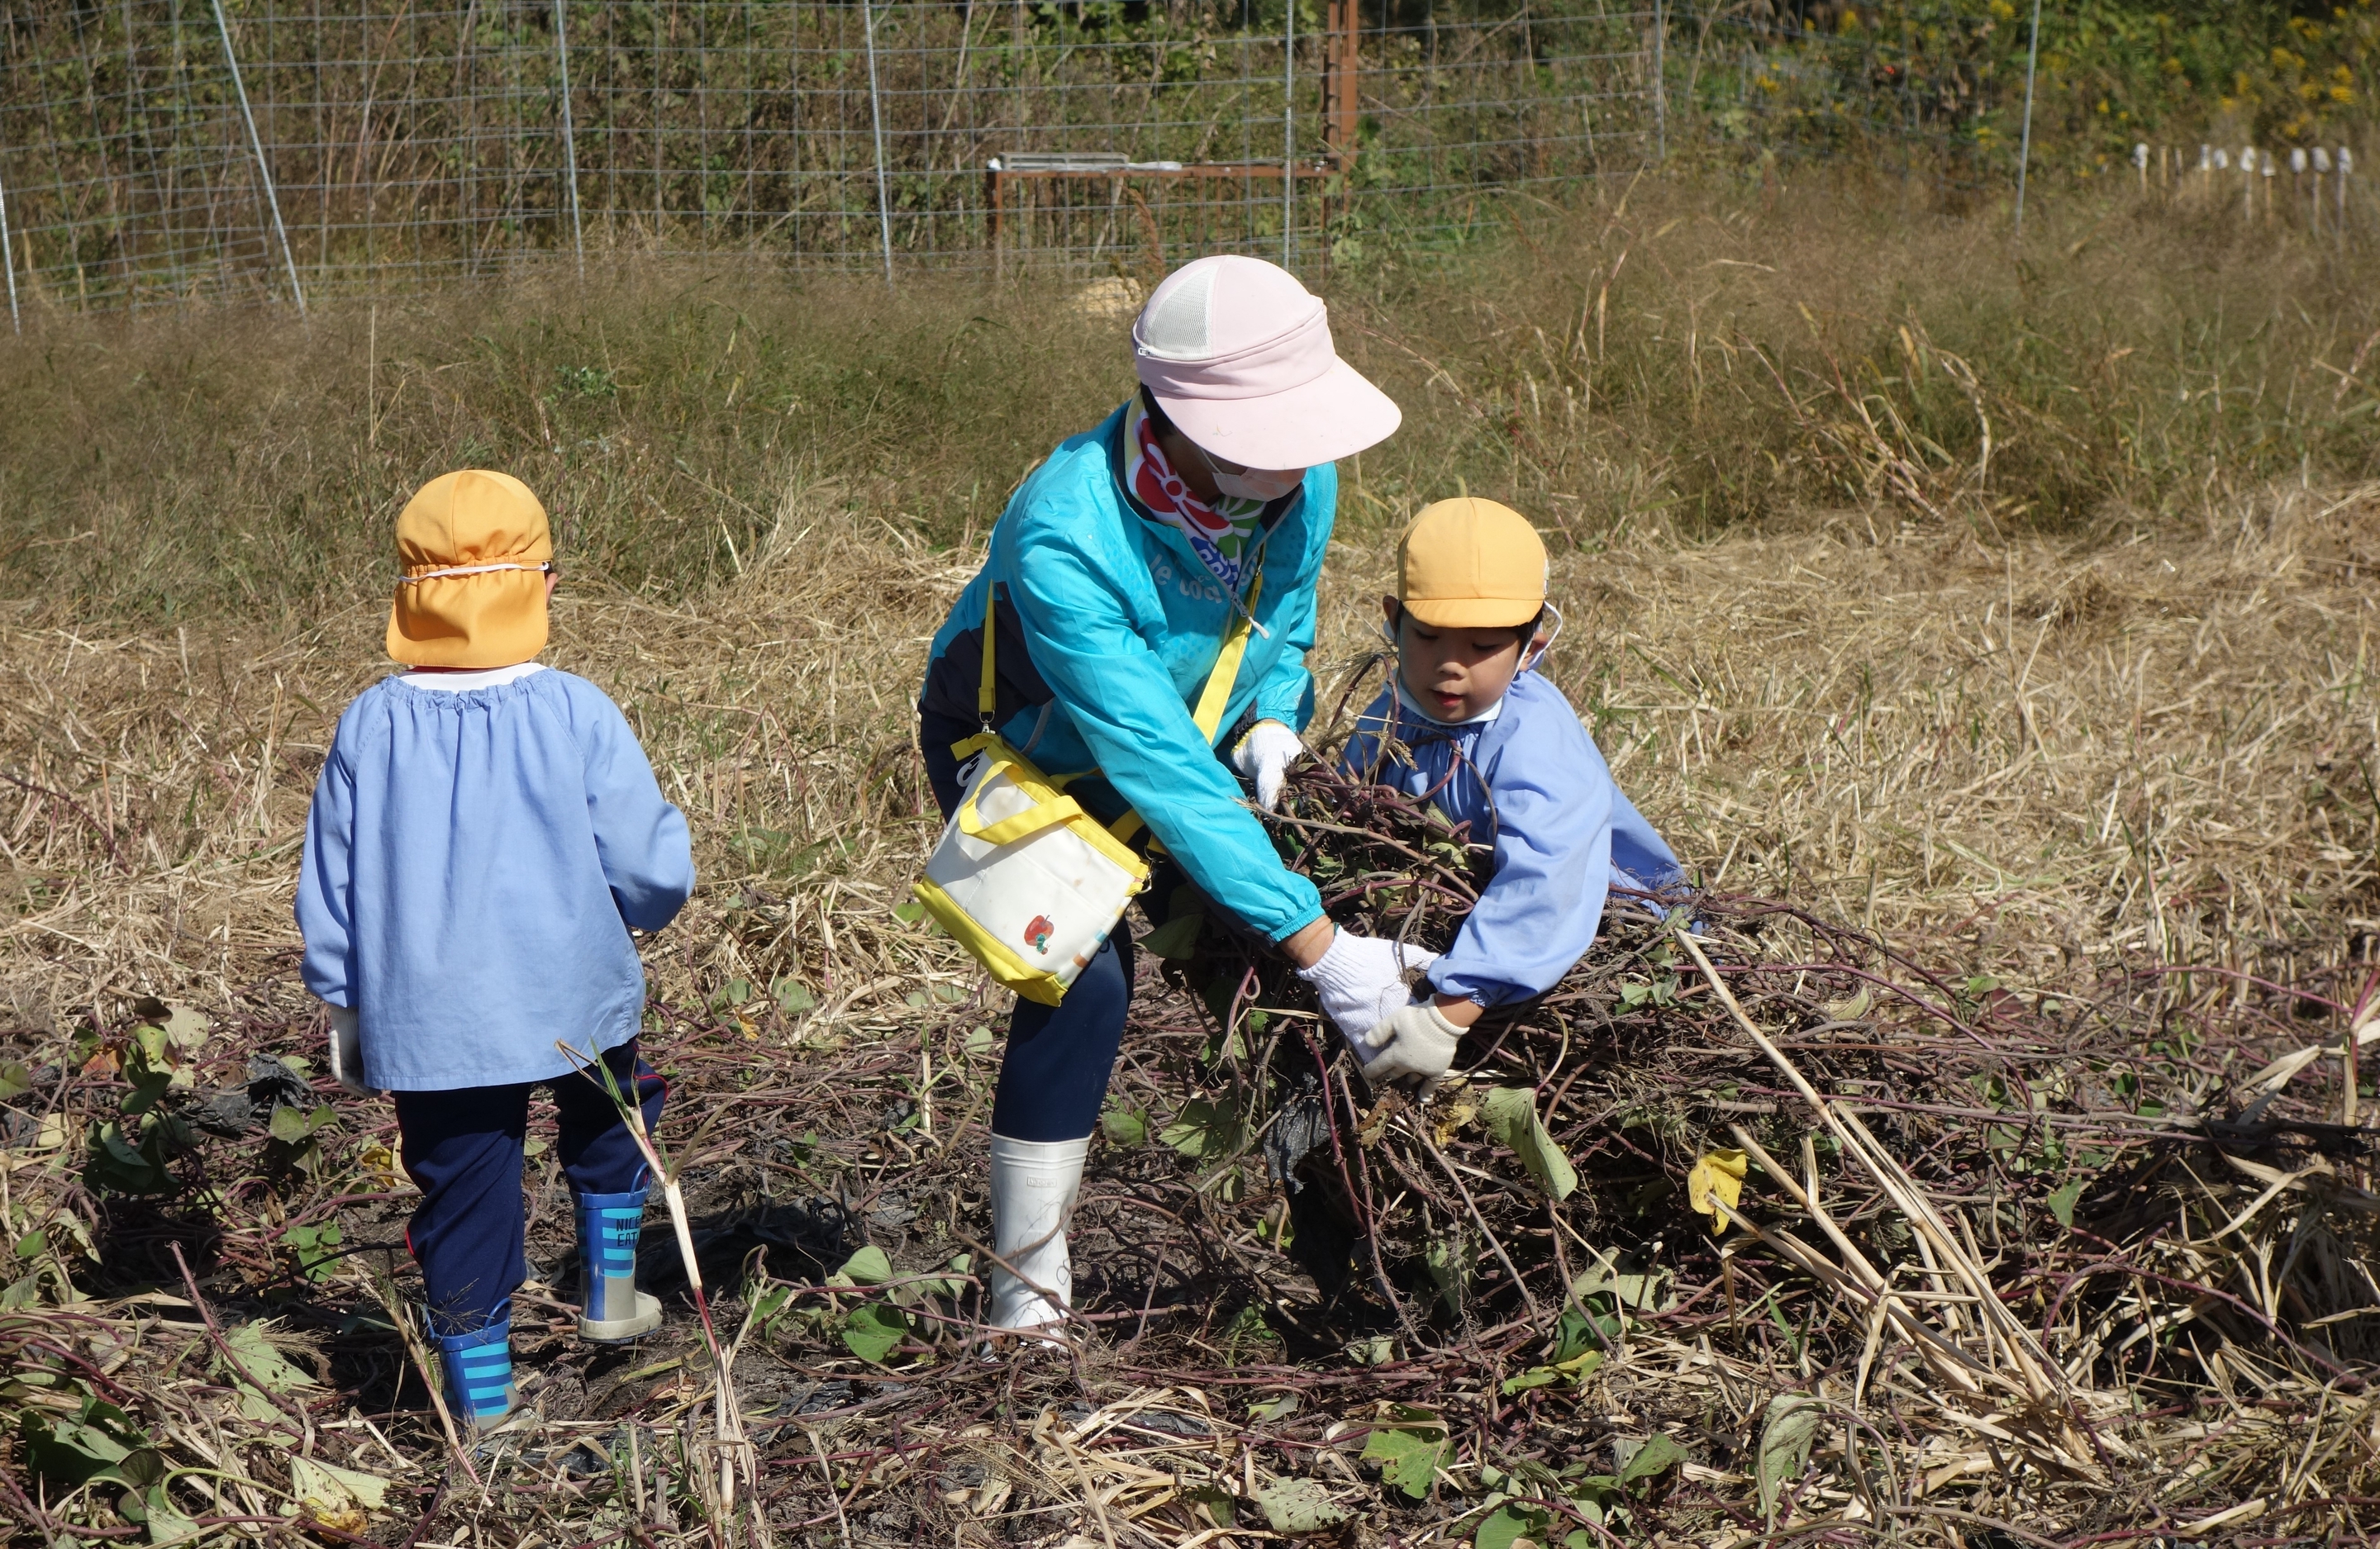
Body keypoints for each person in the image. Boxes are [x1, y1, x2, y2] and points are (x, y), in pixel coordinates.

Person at [917, 255, 1428, 1335]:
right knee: (1086, 982)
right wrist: (1321, 939)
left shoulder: (1298, 475)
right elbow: (1150, 760)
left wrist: (1275, 717)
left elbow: (1284, 620)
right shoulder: (1068, 529)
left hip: (1197, 744)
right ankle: (1025, 1300)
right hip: (1024, 750)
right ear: (1178, 414)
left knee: (1266, 998)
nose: (1298, 461)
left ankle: (1355, 1267)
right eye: (1268, 435)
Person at [296, 469, 695, 1430]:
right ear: (544, 583)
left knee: (465, 1193)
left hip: (432, 1021)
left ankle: (487, 1414)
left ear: (411, 593)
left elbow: (331, 882)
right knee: (609, 1121)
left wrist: (344, 1000)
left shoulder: (371, 722)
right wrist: (645, 906)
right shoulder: (576, 710)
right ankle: (608, 1299)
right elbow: (650, 865)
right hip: (575, 994)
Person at [1339, 497, 1683, 1094]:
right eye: (1428, 635)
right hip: (1464, 926)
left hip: (1591, 930)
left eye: (1482, 646)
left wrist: (1447, 1012)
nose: (1451, 665)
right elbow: (1347, 808)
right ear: (1393, 619)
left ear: (1530, 645)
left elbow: (1546, 885)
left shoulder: (1533, 739)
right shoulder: (1389, 714)